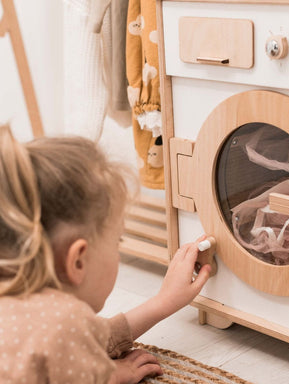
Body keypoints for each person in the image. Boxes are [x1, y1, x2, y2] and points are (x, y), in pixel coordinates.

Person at [0, 124, 212, 384]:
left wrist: (164, 302)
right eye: (117, 241)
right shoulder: (63, 321)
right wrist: (111, 376)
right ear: (77, 260)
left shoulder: (38, 317)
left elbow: (83, 339)